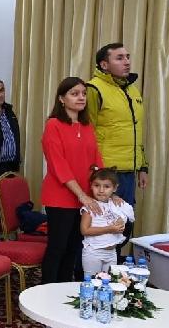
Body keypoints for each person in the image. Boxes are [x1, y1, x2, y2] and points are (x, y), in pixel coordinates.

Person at [41, 77, 104, 284]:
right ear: (61, 98)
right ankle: (47, 291)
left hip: (84, 198)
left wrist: (105, 191)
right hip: (61, 197)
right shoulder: (53, 125)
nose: (81, 97)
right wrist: (81, 195)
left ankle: (63, 289)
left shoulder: (87, 126)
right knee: (57, 248)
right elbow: (59, 165)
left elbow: (96, 161)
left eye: (83, 94)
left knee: (73, 248)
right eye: (74, 94)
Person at [87, 43, 147, 229]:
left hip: (130, 169)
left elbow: (136, 130)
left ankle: (120, 250)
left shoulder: (132, 90)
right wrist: (95, 170)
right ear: (104, 65)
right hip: (106, 171)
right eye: (119, 58)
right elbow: (87, 132)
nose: (127, 62)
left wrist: (143, 166)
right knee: (105, 225)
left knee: (125, 223)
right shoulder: (94, 89)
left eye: (127, 57)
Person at [79, 169, 133, 278]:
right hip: (93, 253)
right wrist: (110, 229)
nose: (101, 190)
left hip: (112, 252)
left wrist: (121, 222)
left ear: (115, 188)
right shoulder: (90, 206)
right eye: (97, 185)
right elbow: (84, 230)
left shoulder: (115, 203)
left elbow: (128, 216)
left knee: (109, 282)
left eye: (106, 186)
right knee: (92, 283)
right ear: (91, 185)